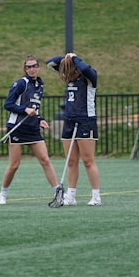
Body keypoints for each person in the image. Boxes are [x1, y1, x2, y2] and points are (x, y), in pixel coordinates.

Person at [0, 56, 60, 205]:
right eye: (28, 67)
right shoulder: (21, 84)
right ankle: (3, 193)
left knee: (45, 160)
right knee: (14, 165)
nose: (32, 69)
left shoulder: (39, 85)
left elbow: (35, 107)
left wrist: (40, 119)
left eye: (34, 66)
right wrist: (24, 109)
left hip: (32, 129)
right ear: (25, 69)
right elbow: (8, 104)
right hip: (17, 128)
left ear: (38, 67)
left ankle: (57, 191)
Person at [46, 53, 101, 206]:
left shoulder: (90, 78)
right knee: (71, 161)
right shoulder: (70, 77)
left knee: (88, 161)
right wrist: (66, 57)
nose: (67, 73)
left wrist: (75, 57)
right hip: (69, 122)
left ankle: (96, 196)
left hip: (85, 121)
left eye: (72, 69)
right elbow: (50, 63)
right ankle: (71, 196)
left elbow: (84, 67)